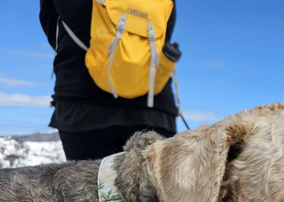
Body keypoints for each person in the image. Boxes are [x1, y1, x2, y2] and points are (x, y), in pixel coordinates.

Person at [39, 0, 179, 161]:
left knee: (89, 184)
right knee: (154, 185)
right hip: (154, 106)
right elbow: (164, 31)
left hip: (82, 101)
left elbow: (50, 21)